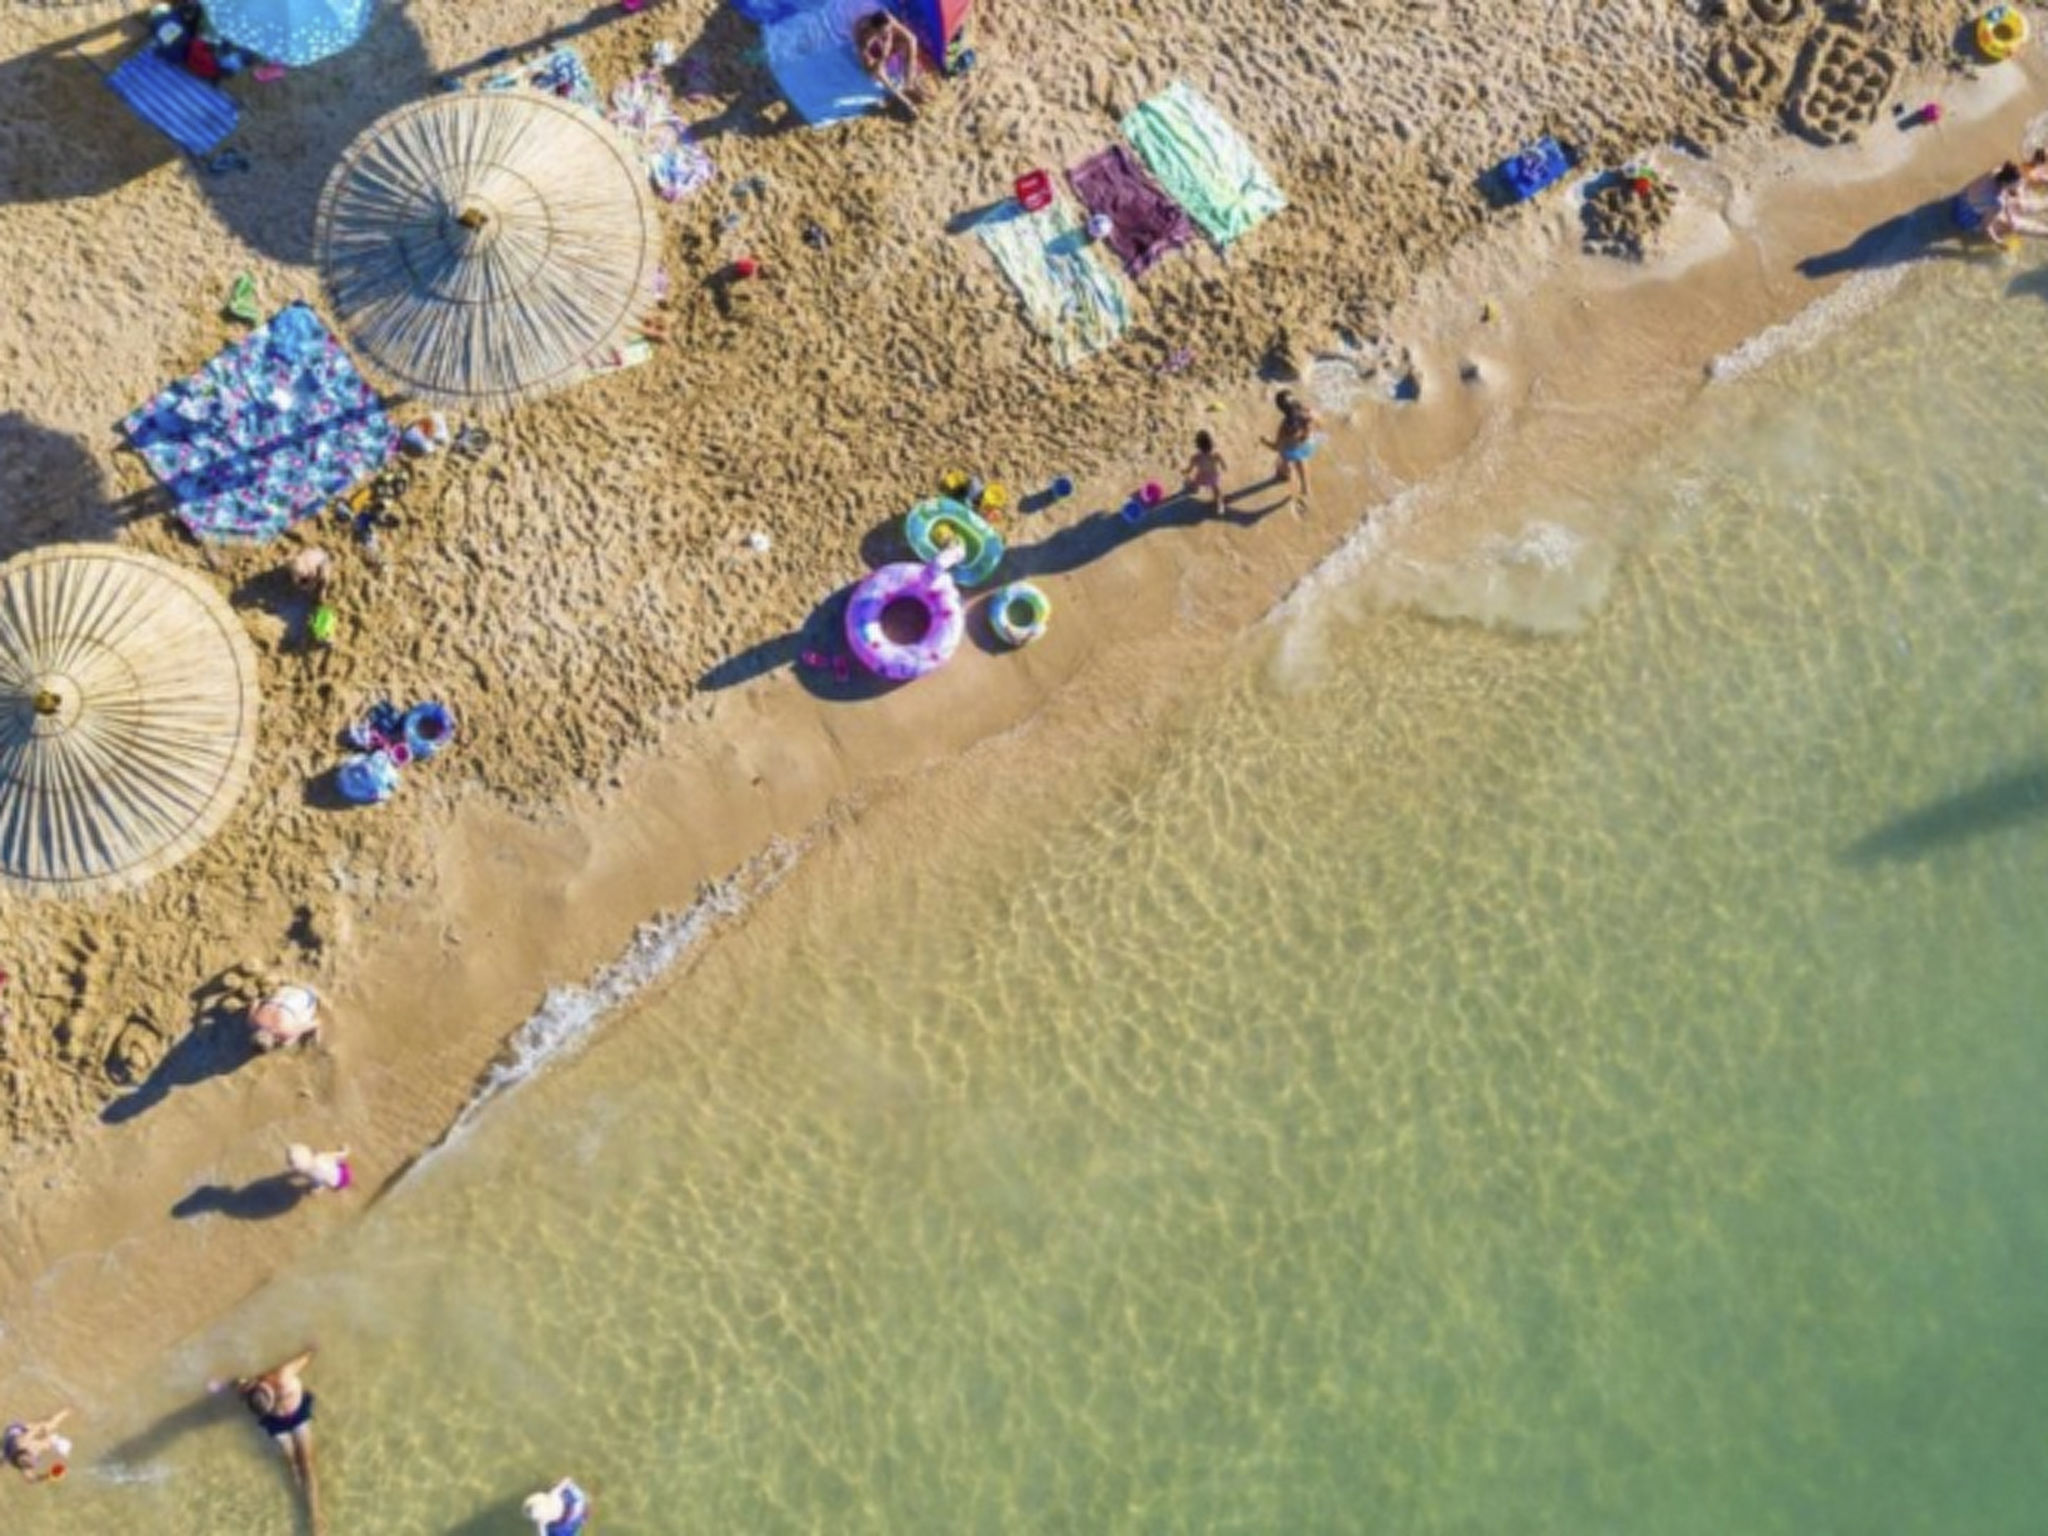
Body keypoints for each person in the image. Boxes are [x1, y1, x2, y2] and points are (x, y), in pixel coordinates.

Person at [232, 1348, 322, 1531]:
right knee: (292, 1465)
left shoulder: (283, 1375)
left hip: (298, 1414)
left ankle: (315, 1513)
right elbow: (232, 1383)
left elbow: (309, 1354)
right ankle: (301, 1502)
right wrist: (235, 1384)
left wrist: (312, 1350)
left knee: (307, 1464)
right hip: (276, 1424)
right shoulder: (250, 1390)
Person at [854, 10, 928, 114]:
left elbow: (909, 38)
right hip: (876, 53)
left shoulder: (887, 19)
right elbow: (872, 69)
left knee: (911, 40)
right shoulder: (863, 37)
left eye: (889, 31)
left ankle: (909, 84)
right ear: (875, 30)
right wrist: (883, 56)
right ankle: (902, 99)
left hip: (883, 46)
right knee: (878, 73)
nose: (888, 33)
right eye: (884, 32)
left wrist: (888, 43)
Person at [1263, 390, 1318, 508]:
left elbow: (1276, 447)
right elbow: (1313, 419)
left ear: (1282, 409)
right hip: (1306, 445)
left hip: (1289, 451)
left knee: (1284, 463)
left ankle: (1284, 475)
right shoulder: (1306, 413)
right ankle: (1305, 487)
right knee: (1301, 462)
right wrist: (1306, 435)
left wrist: (1265, 441)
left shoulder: (1285, 426)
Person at [4, 1410, 73, 1484]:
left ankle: (66, 1411)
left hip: (15, 1434)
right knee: (44, 1431)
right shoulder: (27, 1456)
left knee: (46, 1426)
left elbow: (31, 1479)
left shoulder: (25, 1444)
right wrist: (48, 1476)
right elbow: (31, 1479)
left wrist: (46, 1427)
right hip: (14, 1438)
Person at [248, 984, 321, 1053]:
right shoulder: (253, 1022)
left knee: (288, 1041)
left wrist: (316, 1036)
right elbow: (256, 1001)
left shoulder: (285, 1032)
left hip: (307, 993)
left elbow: (316, 1023)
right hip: (285, 989)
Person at [1182, 430, 1229, 515]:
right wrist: (1224, 467)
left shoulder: (1196, 457)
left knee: (1194, 483)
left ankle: (1194, 489)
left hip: (1201, 477)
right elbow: (1223, 465)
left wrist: (1184, 471)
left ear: (1198, 445)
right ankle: (1220, 506)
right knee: (1217, 491)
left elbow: (1189, 469)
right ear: (1210, 443)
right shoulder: (1216, 454)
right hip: (1213, 477)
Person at [523, 1476, 592, 1535]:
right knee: (578, 1502)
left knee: (559, 1531)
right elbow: (566, 1481)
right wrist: (567, 1482)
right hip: (572, 1507)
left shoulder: (543, 1520)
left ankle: (581, 1520)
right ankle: (583, 1516)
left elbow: (542, 1533)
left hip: (567, 1518)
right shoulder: (553, 1494)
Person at [285, 1142, 352, 1194]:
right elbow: (333, 1156)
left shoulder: (310, 1172)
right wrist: (343, 1153)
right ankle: (319, 1188)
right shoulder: (320, 1158)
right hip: (341, 1180)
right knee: (321, 1177)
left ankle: (319, 1188)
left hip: (340, 1178)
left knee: (318, 1180)